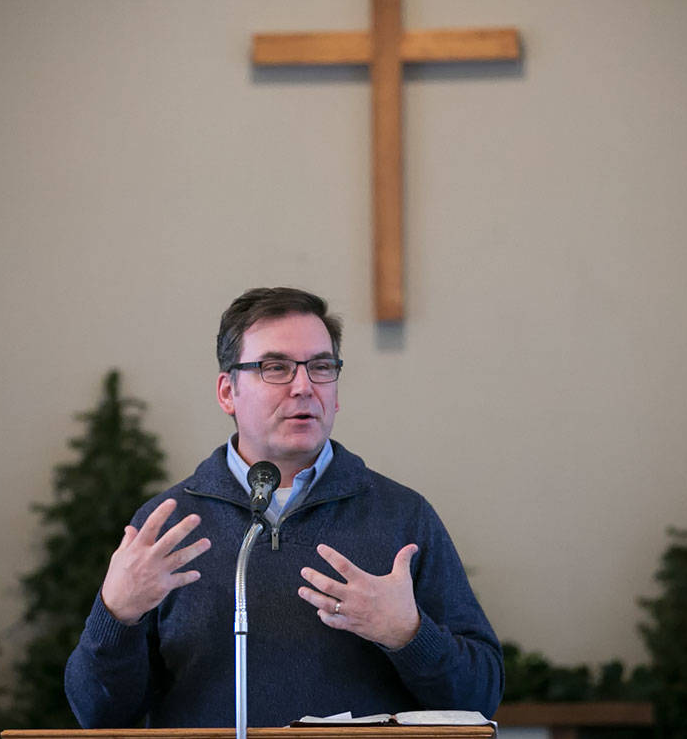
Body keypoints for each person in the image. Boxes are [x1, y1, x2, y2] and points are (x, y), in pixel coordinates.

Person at [65, 287, 503, 727]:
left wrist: (408, 635)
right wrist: (116, 614)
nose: (304, 387)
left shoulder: (402, 517)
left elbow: (481, 697)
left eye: (321, 367)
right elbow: (98, 715)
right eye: (275, 368)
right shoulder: (167, 526)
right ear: (227, 392)